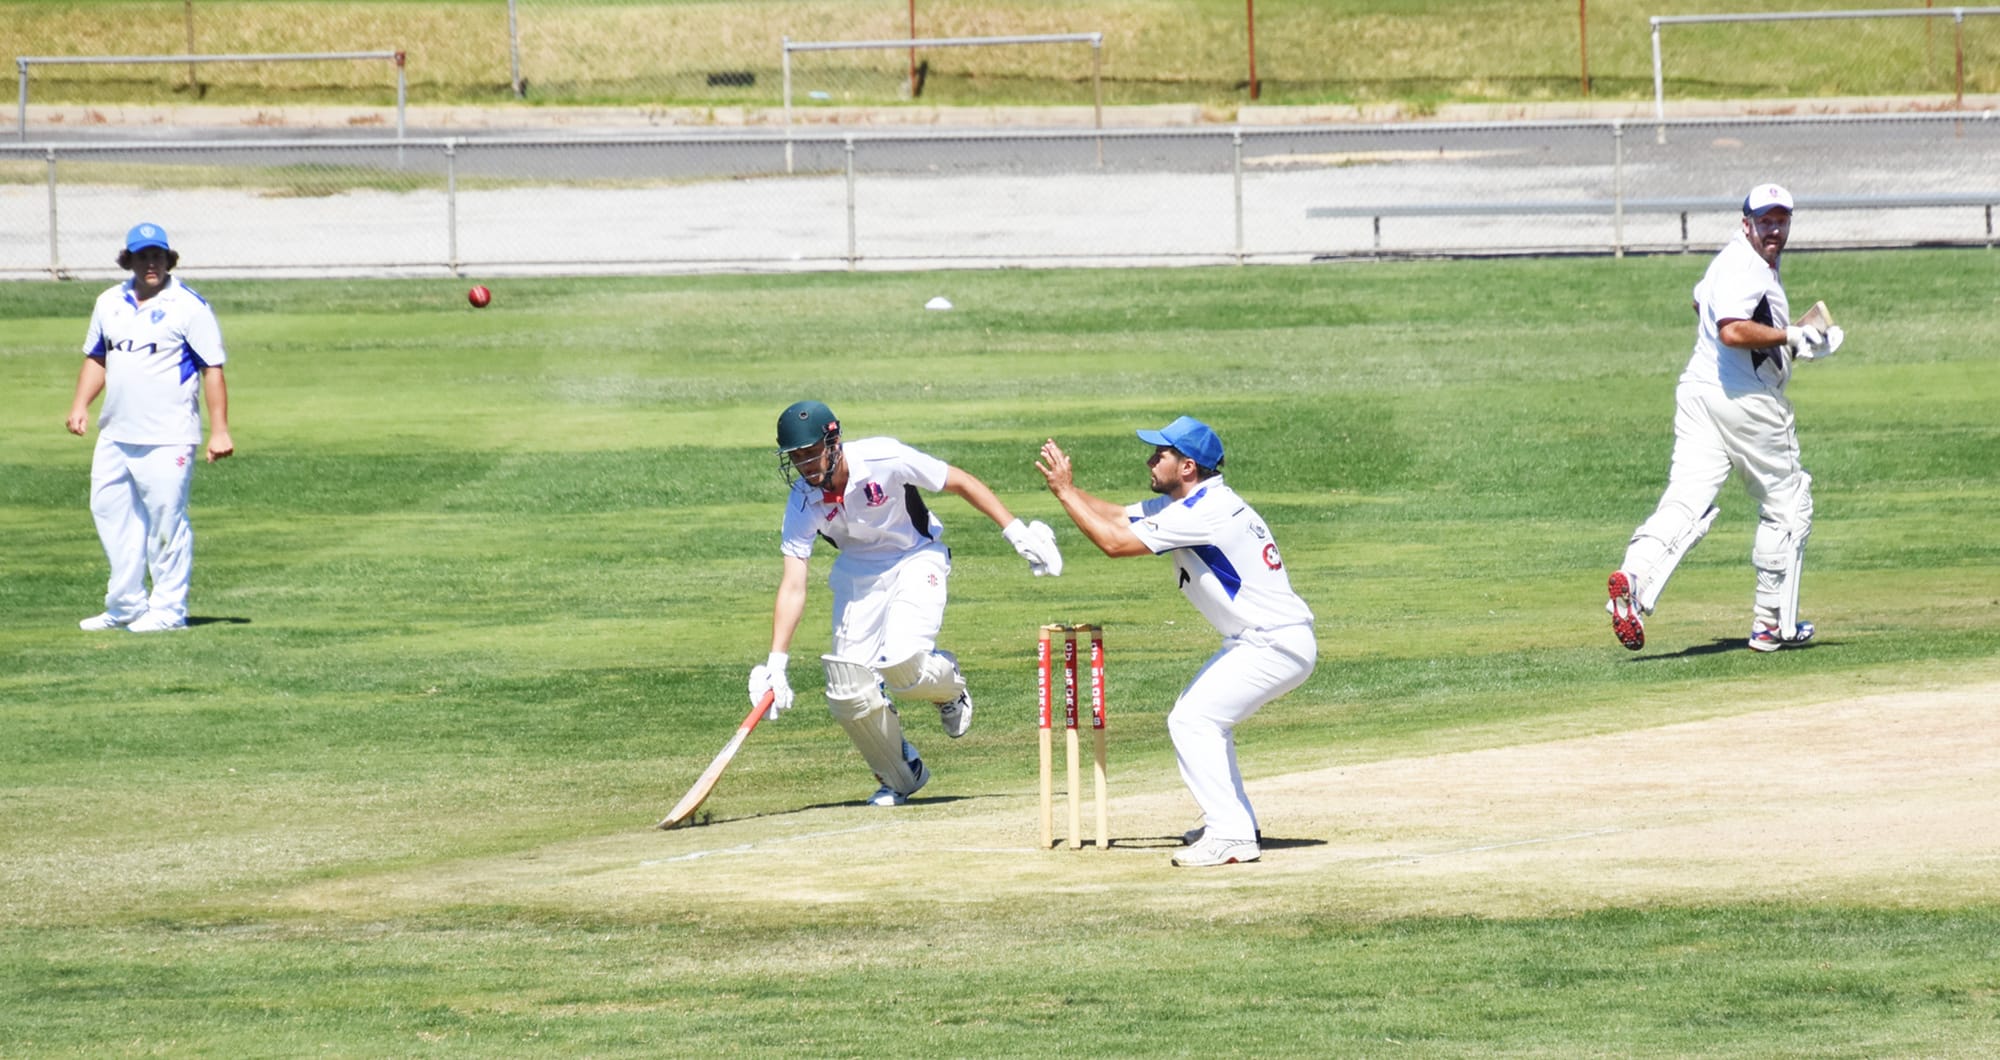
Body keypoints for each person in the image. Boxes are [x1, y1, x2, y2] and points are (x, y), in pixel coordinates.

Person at [752, 399, 1063, 807]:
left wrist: (1016, 532)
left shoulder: (885, 457)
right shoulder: (802, 500)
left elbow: (960, 482)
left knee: (901, 661)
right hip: (857, 573)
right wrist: (776, 663)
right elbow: (793, 584)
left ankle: (949, 688)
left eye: (811, 452)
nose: (805, 465)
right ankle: (901, 775)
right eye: (796, 457)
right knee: (847, 690)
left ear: (833, 442)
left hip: (915, 557)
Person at [1036, 416, 1317, 868]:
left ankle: (1232, 836)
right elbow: (1115, 515)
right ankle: (1232, 823)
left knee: (1193, 722)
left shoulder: (1205, 514)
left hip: (1272, 644)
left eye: (1160, 454)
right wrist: (1064, 488)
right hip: (1263, 641)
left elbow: (1113, 543)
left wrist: (1068, 493)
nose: (1150, 460)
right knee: (1200, 720)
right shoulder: (1195, 503)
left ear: (1187, 467)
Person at [1606, 183, 1843, 653]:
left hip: (1699, 393)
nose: (1774, 229)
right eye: (1765, 221)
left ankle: (1631, 580)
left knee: (1685, 499)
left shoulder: (1730, 262)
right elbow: (1731, 329)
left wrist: (1790, 336)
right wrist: (1789, 337)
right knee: (1789, 502)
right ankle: (1773, 625)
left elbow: (1702, 303)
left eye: (1781, 220)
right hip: (1744, 400)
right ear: (1746, 223)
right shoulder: (1746, 266)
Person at [66, 222, 234, 633]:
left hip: (168, 434)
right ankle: (125, 605)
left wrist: (220, 430)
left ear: (168, 258)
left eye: (158, 255)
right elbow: (97, 357)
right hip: (116, 432)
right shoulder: (109, 302)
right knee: (110, 514)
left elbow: (212, 367)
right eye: (143, 256)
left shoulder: (190, 306)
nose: (151, 263)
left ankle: (168, 610)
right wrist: (80, 404)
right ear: (130, 260)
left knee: (165, 520)